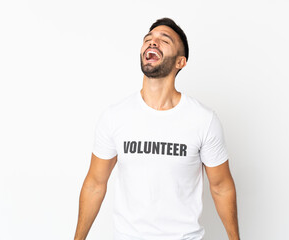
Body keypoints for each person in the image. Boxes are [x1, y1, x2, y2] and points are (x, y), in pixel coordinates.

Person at [74, 17, 240, 240]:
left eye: (164, 40)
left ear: (180, 62)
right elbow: (95, 184)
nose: (152, 43)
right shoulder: (115, 116)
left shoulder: (203, 120)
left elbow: (221, 186)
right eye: (148, 39)